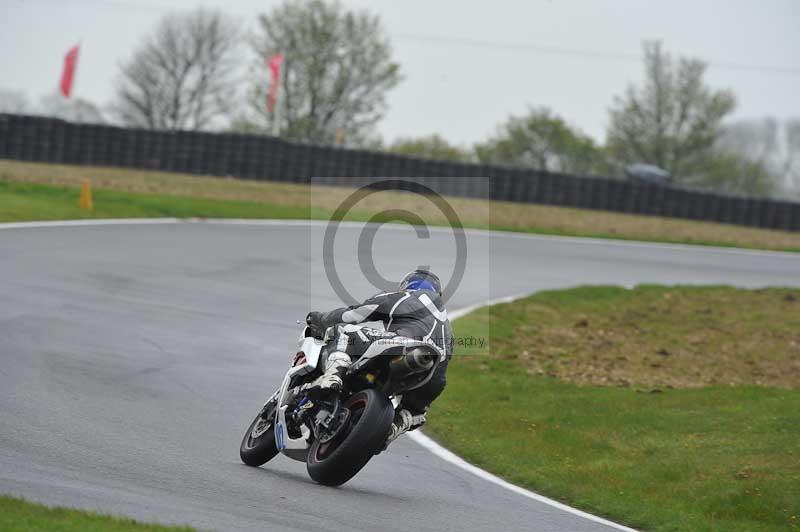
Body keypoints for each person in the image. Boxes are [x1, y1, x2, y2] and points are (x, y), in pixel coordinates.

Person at [304, 269, 452, 446]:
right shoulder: (448, 327)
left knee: (346, 331)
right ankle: (395, 427)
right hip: (432, 374)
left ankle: (333, 377)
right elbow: (443, 368)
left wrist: (321, 319)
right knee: (416, 412)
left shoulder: (405, 297)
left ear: (408, 284)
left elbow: (354, 314)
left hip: (402, 344)